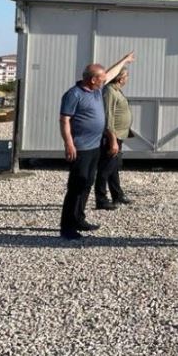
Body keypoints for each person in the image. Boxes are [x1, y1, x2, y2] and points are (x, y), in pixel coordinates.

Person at [58, 52, 135, 240]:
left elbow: (109, 72)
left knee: (87, 183)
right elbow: (64, 120)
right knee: (77, 185)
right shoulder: (73, 94)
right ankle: (67, 227)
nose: (105, 81)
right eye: (101, 79)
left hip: (94, 147)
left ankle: (79, 218)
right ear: (93, 80)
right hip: (81, 147)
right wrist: (69, 143)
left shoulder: (96, 90)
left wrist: (124, 60)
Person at [95, 68, 133, 210]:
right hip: (113, 135)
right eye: (126, 76)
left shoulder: (116, 90)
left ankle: (117, 194)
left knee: (113, 166)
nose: (127, 79)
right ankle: (101, 199)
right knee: (105, 168)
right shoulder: (109, 91)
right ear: (120, 78)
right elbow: (108, 115)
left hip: (119, 135)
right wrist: (112, 139)